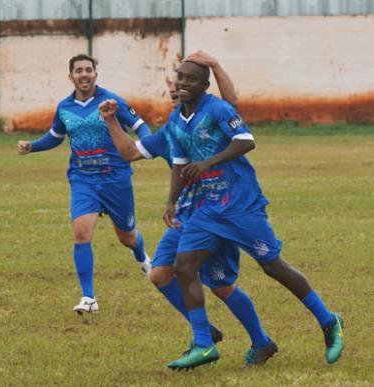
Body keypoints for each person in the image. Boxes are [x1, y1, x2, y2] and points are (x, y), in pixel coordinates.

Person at [161, 60, 343, 370]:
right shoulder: (176, 119)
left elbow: (246, 141)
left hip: (241, 205)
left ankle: (328, 321)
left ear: (205, 86)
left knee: (273, 266)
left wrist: (207, 164)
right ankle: (204, 344)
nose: (185, 83)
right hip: (209, 208)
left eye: (192, 79)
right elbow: (179, 163)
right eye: (181, 77)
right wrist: (171, 202)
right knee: (184, 266)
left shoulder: (217, 109)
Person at [98, 52, 277, 366]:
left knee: (220, 285)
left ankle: (239, 340)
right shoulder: (170, 133)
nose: (177, 91)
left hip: (215, 210)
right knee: (160, 274)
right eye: (174, 86)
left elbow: (232, 106)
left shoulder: (210, 120)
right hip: (187, 215)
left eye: (184, 84)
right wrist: (111, 120)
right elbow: (128, 151)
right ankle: (206, 333)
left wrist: (217, 65)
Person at [17, 54, 152, 314]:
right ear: (71, 77)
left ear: (95, 75)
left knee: (127, 237)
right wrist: (32, 146)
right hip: (83, 178)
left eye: (89, 70)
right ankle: (89, 298)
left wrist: (144, 147)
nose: (84, 74)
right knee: (81, 233)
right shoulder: (64, 107)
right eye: (79, 70)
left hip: (115, 177)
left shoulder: (111, 101)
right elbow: (56, 136)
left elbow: (141, 126)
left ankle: (143, 257)